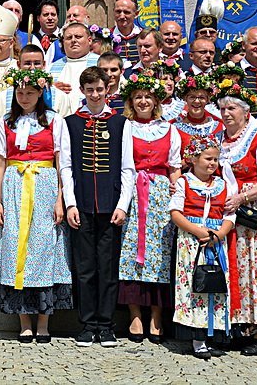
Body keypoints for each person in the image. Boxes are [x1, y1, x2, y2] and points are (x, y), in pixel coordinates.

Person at [0, 68, 73, 343]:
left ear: (41, 93)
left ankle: (44, 322)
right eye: (20, 92)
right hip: (14, 185)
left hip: (45, 185)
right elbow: (0, 162)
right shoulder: (6, 122)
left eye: (30, 92)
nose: (24, 97)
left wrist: (62, 198)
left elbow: (62, 162)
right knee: (14, 246)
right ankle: (24, 321)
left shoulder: (54, 121)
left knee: (44, 247)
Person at [214, 80, 257, 355]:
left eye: (232, 108)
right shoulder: (220, 139)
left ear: (245, 112)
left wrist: (243, 197)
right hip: (227, 211)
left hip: (253, 212)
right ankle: (241, 326)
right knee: (235, 267)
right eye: (223, 109)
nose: (226, 113)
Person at [65, 66, 130, 347]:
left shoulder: (120, 123)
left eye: (100, 90)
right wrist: (70, 204)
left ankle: (106, 325)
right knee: (85, 268)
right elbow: (66, 167)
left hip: (110, 206)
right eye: (89, 90)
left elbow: (128, 168)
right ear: (82, 91)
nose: (94, 94)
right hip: (82, 205)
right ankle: (87, 323)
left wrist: (123, 204)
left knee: (107, 267)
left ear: (108, 90)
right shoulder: (70, 123)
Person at [117, 72, 180, 343]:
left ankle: (156, 316)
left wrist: (177, 196)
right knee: (131, 253)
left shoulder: (169, 129)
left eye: (148, 97)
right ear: (131, 101)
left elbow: (175, 167)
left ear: (156, 101)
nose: (143, 101)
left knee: (160, 254)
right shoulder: (125, 127)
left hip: (160, 195)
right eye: (138, 97)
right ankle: (134, 315)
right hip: (132, 192)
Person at [170, 137, 235, 359]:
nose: (212, 163)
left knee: (214, 285)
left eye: (216, 159)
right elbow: (176, 213)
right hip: (192, 242)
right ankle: (198, 340)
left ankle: (212, 336)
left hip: (216, 241)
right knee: (195, 284)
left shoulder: (222, 184)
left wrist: (220, 233)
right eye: (208, 158)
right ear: (194, 159)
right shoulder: (184, 182)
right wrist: (199, 232)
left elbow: (229, 215)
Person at [49, 22, 100, 109]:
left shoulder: (100, 63)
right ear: (63, 42)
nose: (73, 40)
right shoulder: (51, 67)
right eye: (69, 38)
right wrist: (51, 87)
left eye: (78, 37)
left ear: (89, 40)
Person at [173, 74, 221, 162]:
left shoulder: (219, 126)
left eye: (201, 97)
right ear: (185, 99)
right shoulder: (175, 128)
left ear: (207, 100)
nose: (197, 101)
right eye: (192, 97)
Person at [32, 0, 63, 66]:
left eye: (53, 14)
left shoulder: (65, 38)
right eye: (46, 15)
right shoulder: (31, 38)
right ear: (38, 18)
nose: (50, 18)